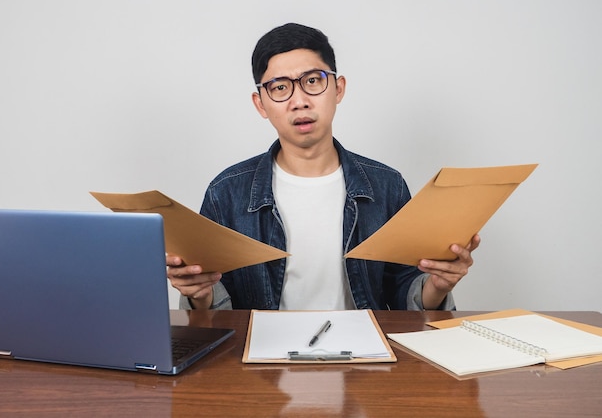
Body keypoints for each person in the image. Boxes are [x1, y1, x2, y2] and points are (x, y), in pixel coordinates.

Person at [167, 23, 480, 311]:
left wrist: (437, 285)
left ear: (338, 88)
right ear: (260, 103)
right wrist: (198, 294)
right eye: (279, 88)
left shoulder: (386, 185)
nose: (300, 101)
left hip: (362, 362)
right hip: (260, 365)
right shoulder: (227, 192)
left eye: (312, 81)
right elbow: (216, 302)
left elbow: (405, 289)